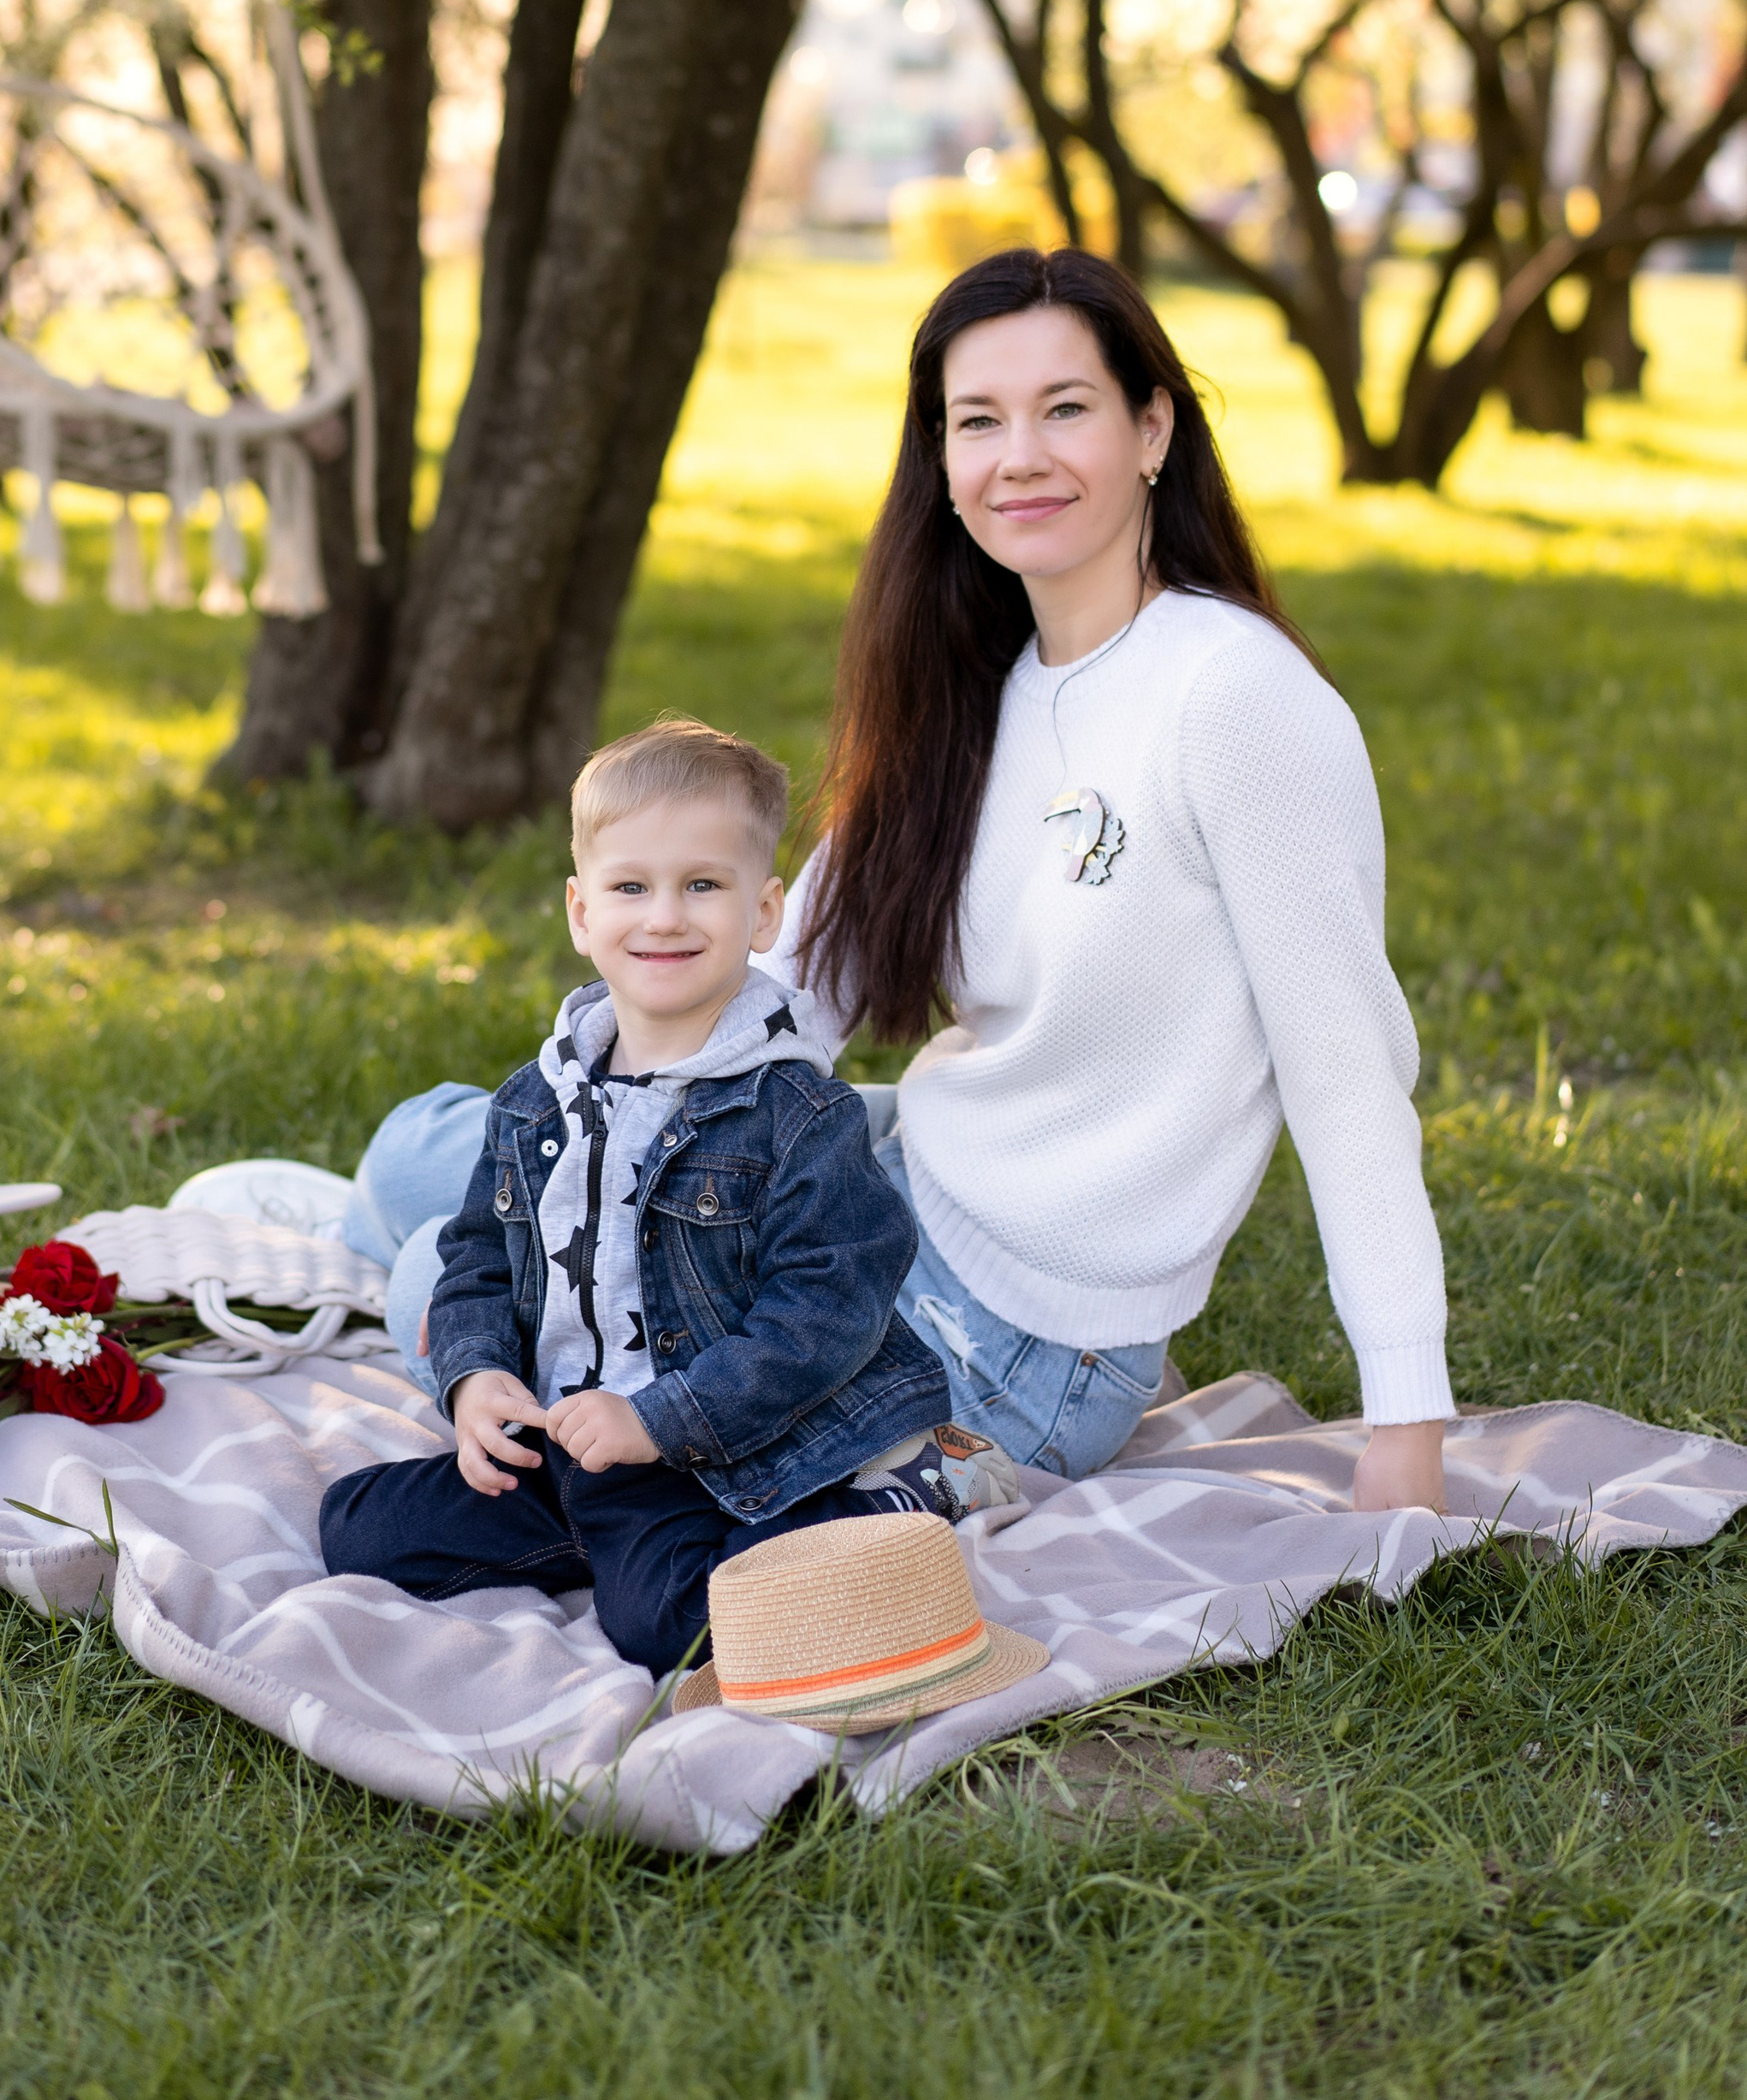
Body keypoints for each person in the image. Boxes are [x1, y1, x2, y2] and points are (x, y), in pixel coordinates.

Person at [755, 245, 1454, 1512]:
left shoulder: (1231, 697)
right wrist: (618, 1128)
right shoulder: (967, 683)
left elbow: (1345, 1069)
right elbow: (799, 984)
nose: (1019, 456)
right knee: (464, 1161)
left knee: (458, 1284)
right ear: (942, 462)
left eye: (1065, 408)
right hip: (906, 1185)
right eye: (979, 421)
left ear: (1152, 430)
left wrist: (1405, 1423)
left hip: (1028, 1342)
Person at [316, 721, 999, 1681]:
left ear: (763, 914)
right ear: (580, 910)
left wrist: (659, 1423)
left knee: (664, 1625)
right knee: (357, 1527)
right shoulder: (534, 1100)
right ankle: (598, 1542)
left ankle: (896, 1498)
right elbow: (475, 1254)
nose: (664, 917)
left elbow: (824, 1316)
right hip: (568, 1440)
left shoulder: (796, 1111)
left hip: (721, 1450)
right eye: (630, 886)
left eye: (702, 886)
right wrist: (473, 1379)